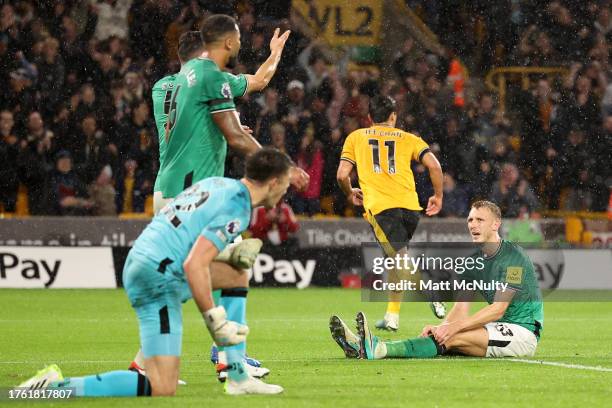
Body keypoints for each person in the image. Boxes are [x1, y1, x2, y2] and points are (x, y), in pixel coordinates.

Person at [18, 148, 293, 396]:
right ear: (274, 183)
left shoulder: (217, 184)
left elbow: (180, 230)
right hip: (158, 275)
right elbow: (195, 265)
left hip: (145, 261)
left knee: (235, 271)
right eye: (286, 184)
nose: (286, 192)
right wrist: (216, 322)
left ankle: (237, 376)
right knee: (162, 386)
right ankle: (53, 388)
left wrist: (226, 254)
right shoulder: (237, 207)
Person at [330, 201, 544, 361]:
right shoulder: (472, 262)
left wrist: (451, 330)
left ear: (496, 224)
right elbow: (461, 307)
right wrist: (442, 327)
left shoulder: (513, 256)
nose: (473, 225)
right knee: (444, 336)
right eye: (470, 219)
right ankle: (366, 347)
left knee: (450, 338)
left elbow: (498, 308)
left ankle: (377, 349)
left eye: (480, 220)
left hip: (522, 333)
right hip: (497, 327)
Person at [336, 95, 446, 333]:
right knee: (395, 259)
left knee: (398, 259)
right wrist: (438, 196)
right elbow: (435, 165)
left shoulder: (356, 137)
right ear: (393, 116)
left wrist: (349, 192)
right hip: (410, 208)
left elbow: (341, 175)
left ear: (369, 118)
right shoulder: (409, 138)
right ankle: (392, 316)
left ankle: (429, 291)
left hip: (381, 208)